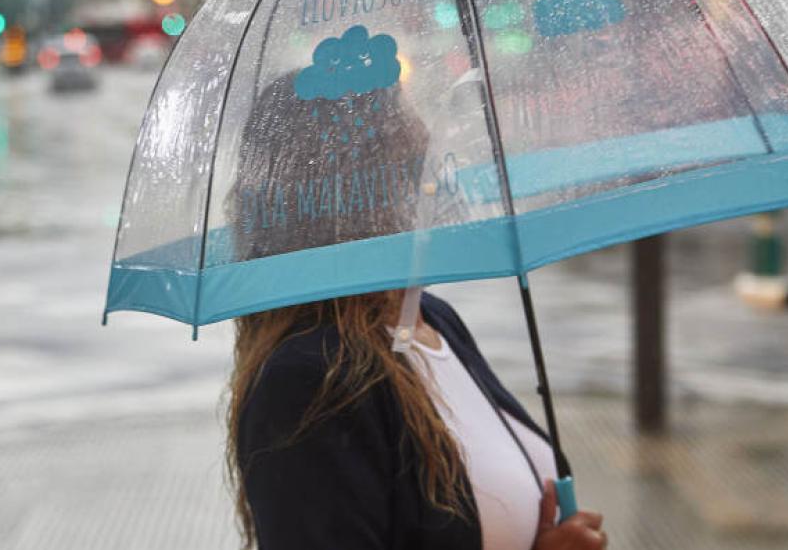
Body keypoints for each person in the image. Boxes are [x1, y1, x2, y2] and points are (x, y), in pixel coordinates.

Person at [223, 69, 608, 549]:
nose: (426, 138)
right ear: (349, 188)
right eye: (401, 137)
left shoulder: (434, 318)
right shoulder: (309, 379)